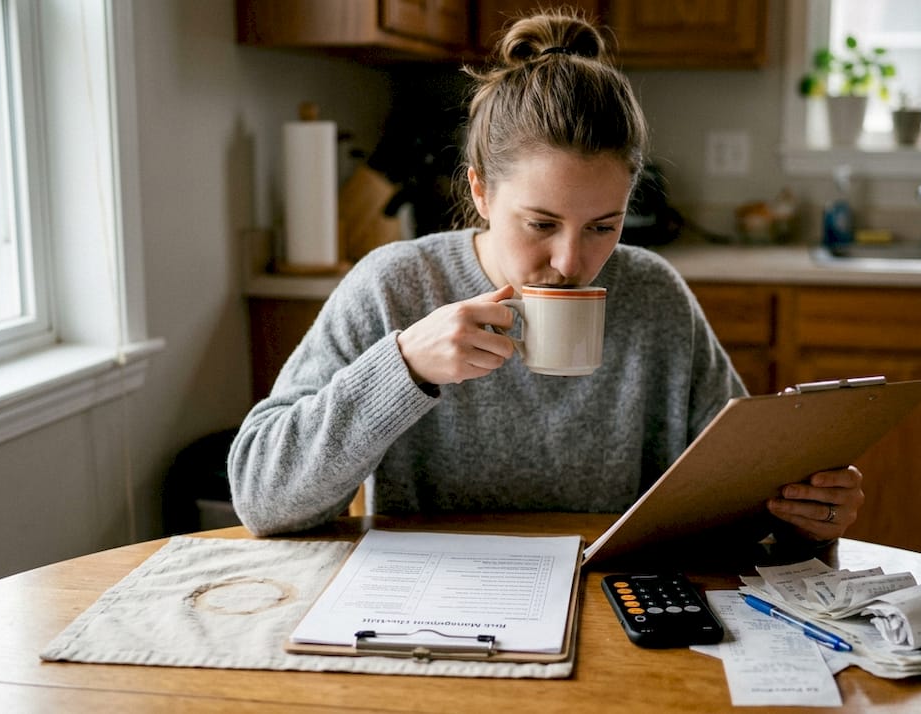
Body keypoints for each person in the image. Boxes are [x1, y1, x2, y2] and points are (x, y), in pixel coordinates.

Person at [228, 9, 864, 547]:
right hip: (429, 613)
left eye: (602, 226)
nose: (570, 261)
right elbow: (261, 498)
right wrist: (403, 369)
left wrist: (801, 513)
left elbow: (732, 508)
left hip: (611, 611)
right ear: (479, 190)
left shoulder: (654, 297)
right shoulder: (395, 286)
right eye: (540, 223)